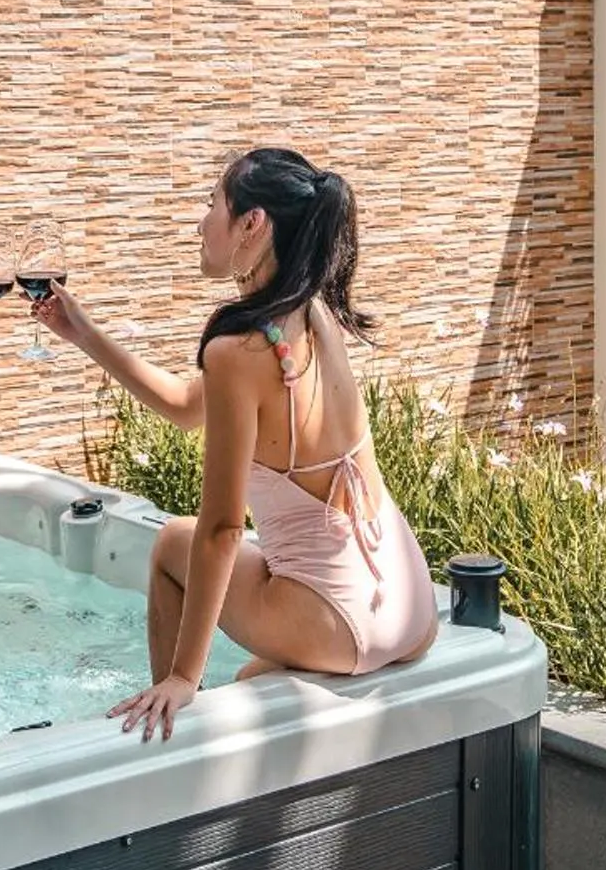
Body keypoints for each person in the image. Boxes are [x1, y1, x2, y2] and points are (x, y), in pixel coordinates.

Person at [39, 147, 437, 741]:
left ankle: (171, 736)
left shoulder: (237, 352)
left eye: (211, 206)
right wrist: (84, 333)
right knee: (254, 675)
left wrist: (183, 677)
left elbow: (221, 530)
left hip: (341, 622)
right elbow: (182, 406)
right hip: (409, 610)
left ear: (252, 224)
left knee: (175, 542)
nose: (201, 225)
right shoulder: (310, 313)